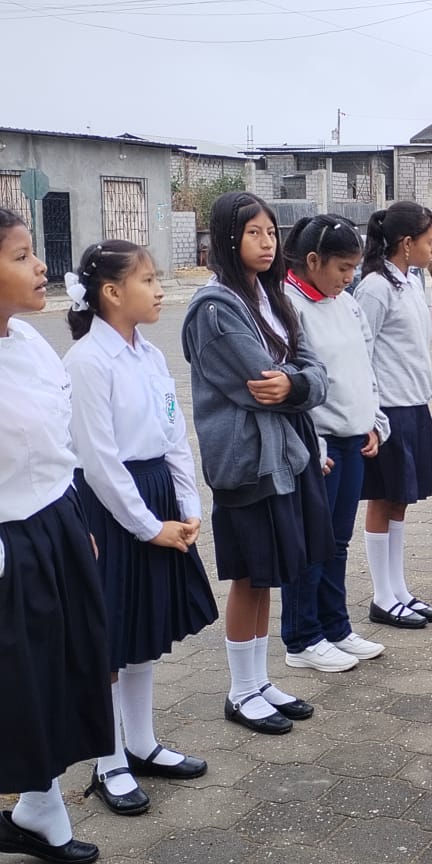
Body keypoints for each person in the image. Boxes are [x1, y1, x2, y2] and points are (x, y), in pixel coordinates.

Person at [63, 240, 216, 816]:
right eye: (147, 280)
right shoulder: (87, 362)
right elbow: (99, 461)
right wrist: (148, 527)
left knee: (143, 626)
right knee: (109, 635)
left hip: (155, 495)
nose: (158, 290)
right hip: (112, 507)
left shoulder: (148, 354)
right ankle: (108, 761)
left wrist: (188, 505)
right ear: (111, 292)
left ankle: (142, 743)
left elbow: (174, 433)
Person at [182, 191, 332, 736]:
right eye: (253, 233)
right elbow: (258, 385)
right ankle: (240, 691)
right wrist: (298, 383)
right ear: (229, 238)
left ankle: (259, 681)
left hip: (286, 453)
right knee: (249, 576)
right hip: (248, 460)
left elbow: (314, 373)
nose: (267, 243)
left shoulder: (272, 297)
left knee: (269, 574)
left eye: (271, 232)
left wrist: (297, 383)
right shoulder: (216, 308)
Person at [0, 208, 111, 864]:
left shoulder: (27, 341)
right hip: (8, 545)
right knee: (14, 685)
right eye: (20, 256)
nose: (41, 266)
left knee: (53, 673)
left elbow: (58, 443)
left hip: (54, 524)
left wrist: (76, 523)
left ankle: (40, 810)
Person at [282, 214, 387, 671]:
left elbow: (364, 363)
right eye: (342, 268)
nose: (349, 277)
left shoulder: (345, 303)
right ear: (313, 261)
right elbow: (292, 381)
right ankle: (302, 637)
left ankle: (335, 626)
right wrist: (313, 442)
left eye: (353, 268)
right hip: (319, 444)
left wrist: (373, 419)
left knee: (337, 541)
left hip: (353, 438)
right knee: (312, 542)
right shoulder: (289, 305)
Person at [356, 203, 432, 629]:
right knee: (384, 497)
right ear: (407, 243)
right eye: (429, 241)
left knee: (401, 499)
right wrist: (371, 414)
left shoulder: (411, 281)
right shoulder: (375, 287)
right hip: (388, 408)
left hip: (413, 404)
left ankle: (399, 589)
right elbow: (362, 352)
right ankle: (382, 595)